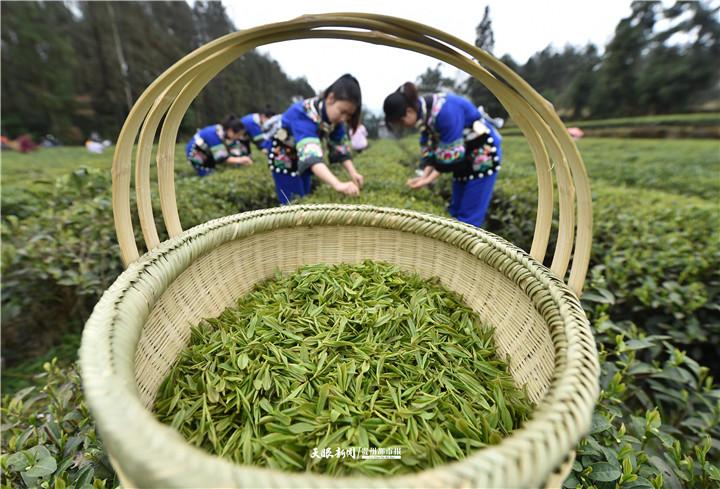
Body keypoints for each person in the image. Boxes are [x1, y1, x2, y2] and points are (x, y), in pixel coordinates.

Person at [383, 82, 503, 228]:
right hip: (465, 158)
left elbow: (450, 155)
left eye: (401, 122)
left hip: (483, 155)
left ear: (409, 112)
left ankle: (466, 251)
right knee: (455, 211)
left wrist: (426, 181)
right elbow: (431, 151)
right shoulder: (425, 114)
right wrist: (423, 176)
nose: (403, 126)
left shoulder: (445, 111)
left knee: (469, 219)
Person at [267, 74, 364, 204]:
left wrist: (353, 173)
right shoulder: (302, 113)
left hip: (303, 159)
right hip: (284, 157)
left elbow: (340, 147)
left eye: (349, 115)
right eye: (342, 111)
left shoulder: (335, 120)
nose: (344, 118)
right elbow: (310, 156)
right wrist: (337, 184)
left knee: (305, 198)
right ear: (330, 98)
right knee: (293, 204)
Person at [185, 115, 252, 176]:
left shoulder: (224, 133)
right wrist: (241, 160)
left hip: (208, 152)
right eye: (238, 134)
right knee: (208, 173)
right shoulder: (213, 134)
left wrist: (241, 159)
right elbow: (222, 158)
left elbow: (234, 149)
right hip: (196, 152)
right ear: (230, 131)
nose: (239, 137)